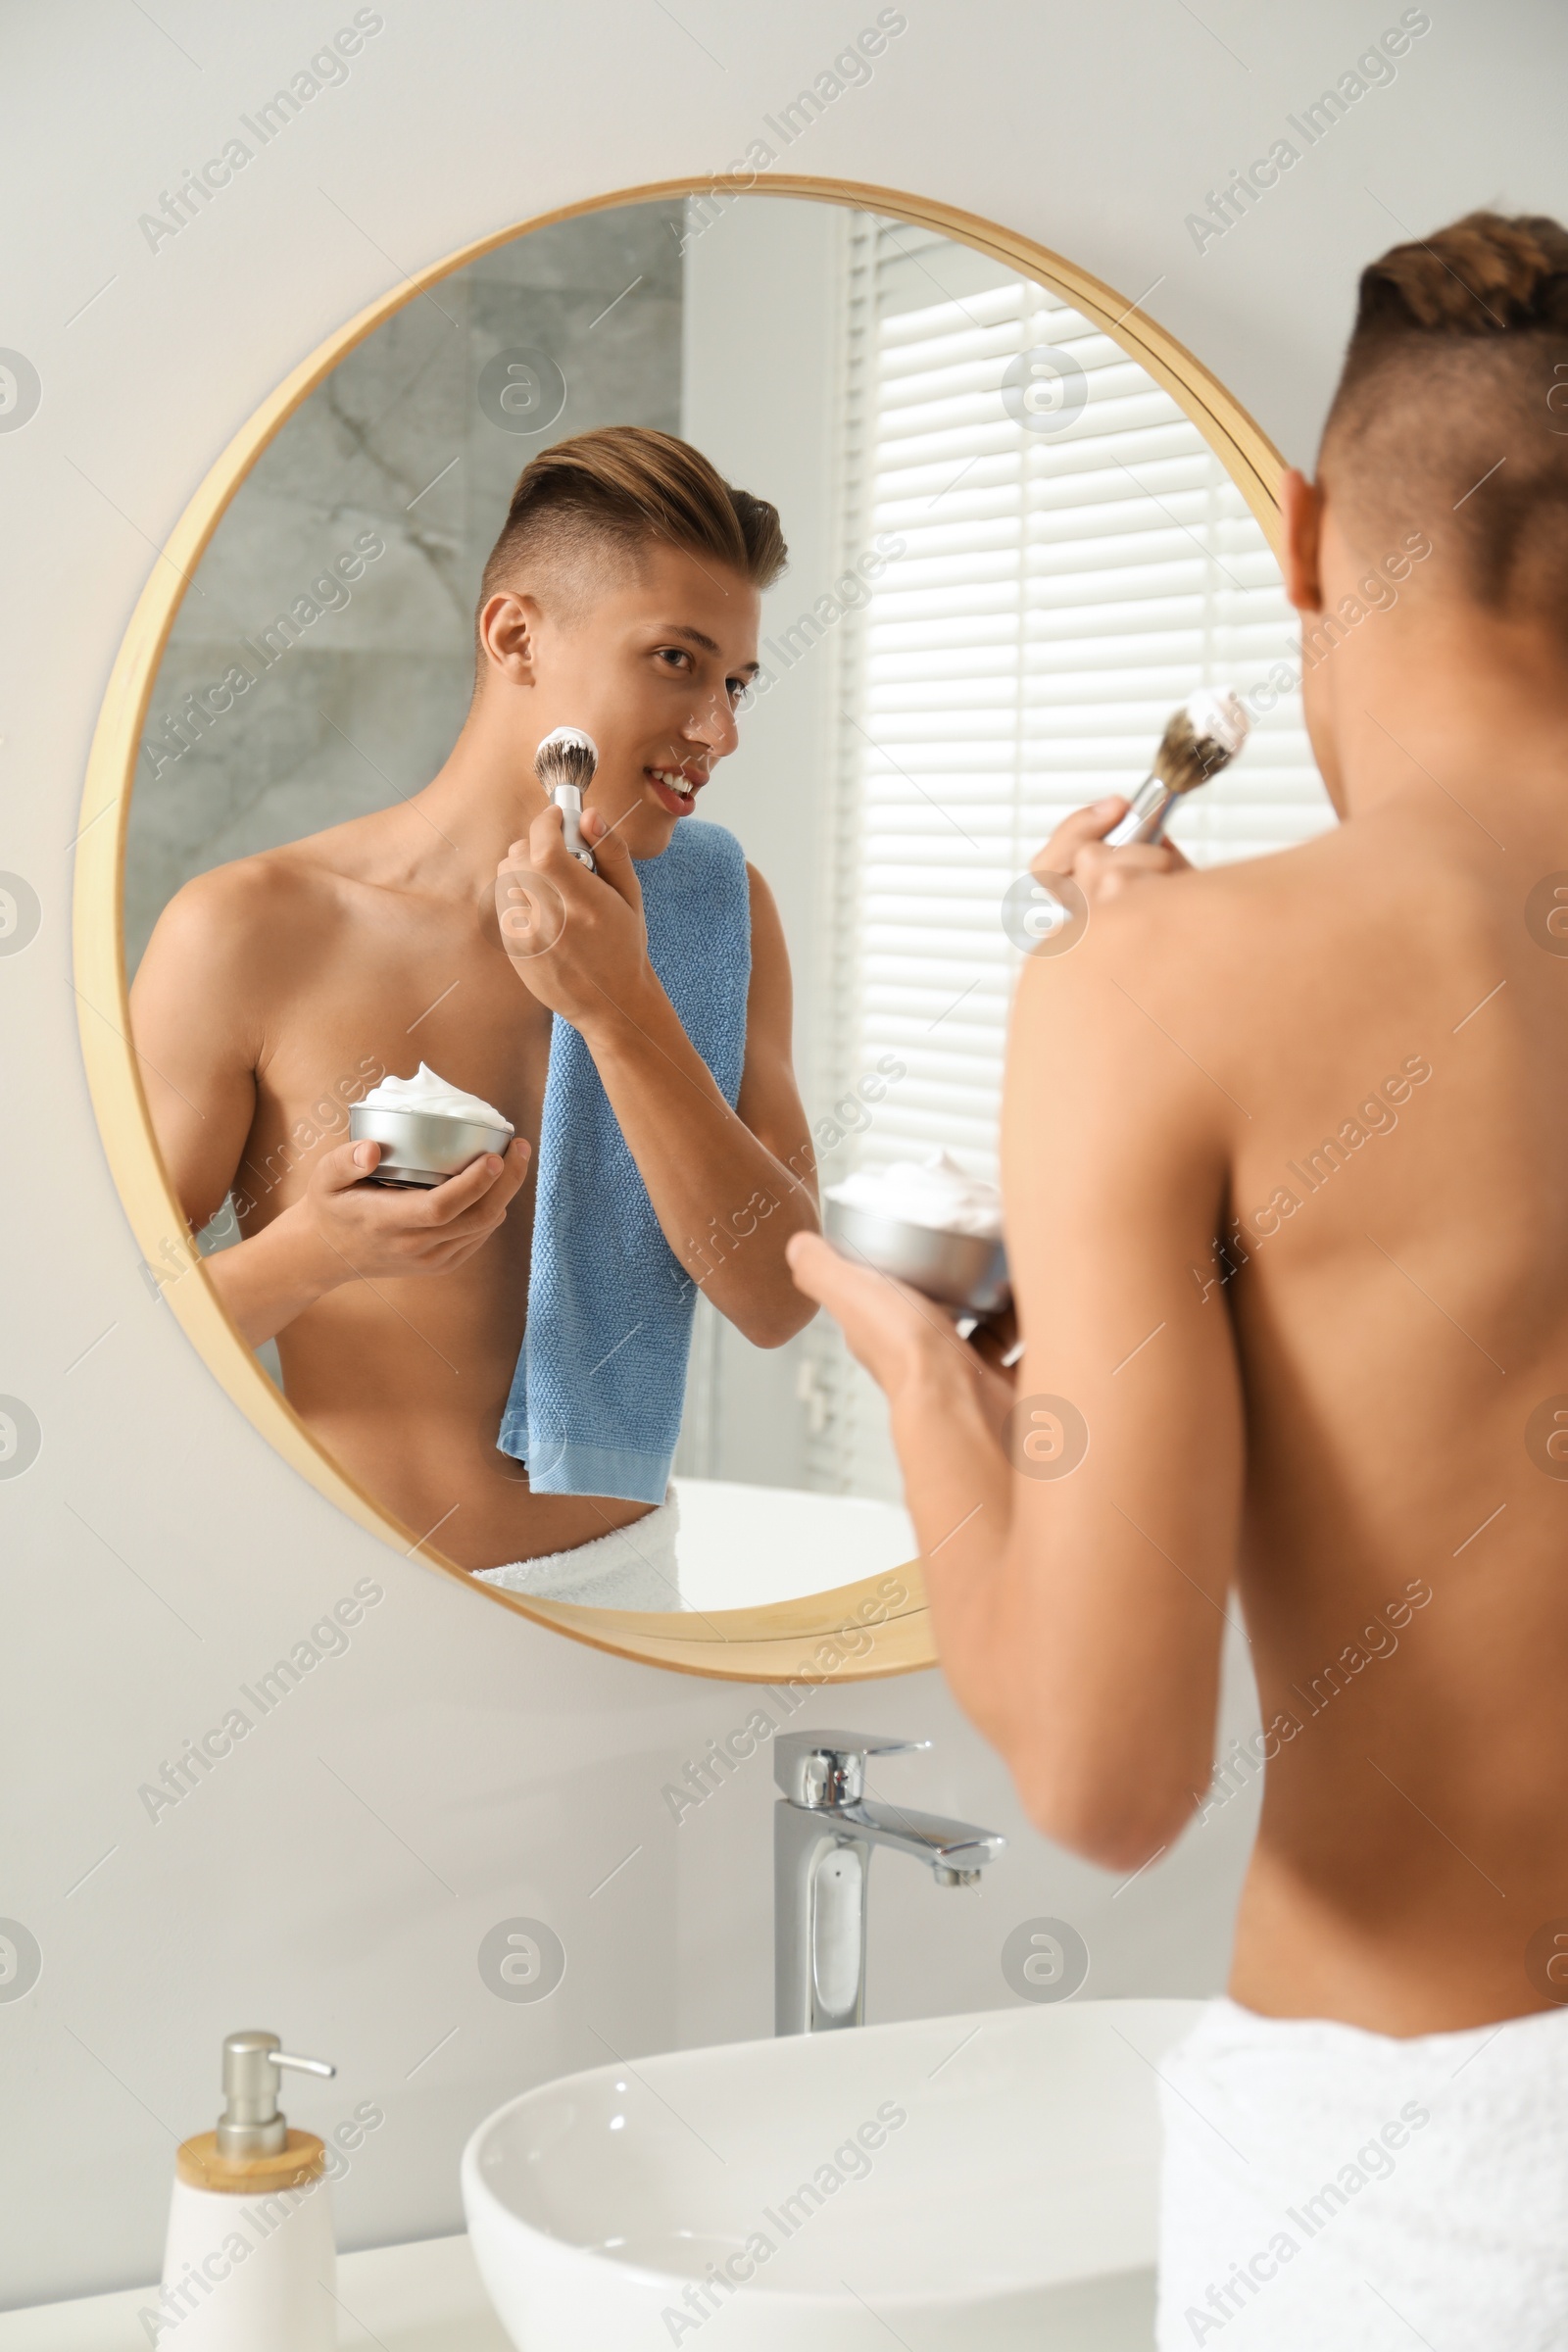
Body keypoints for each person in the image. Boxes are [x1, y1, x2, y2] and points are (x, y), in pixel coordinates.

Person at [788, 211, 1568, 2345]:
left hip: (1429, 2204)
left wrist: (934, 1386)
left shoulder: (1163, 997)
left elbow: (1108, 1779)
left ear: (1302, 531)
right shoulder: (1187, 983)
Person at [132, 428, 817, 1600]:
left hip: (628, 1594)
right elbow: (105, 1340)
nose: (720, 731)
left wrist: (623, 1012)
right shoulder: (252, 929)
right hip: (341, 1597)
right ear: (514, 636)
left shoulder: (714, 908)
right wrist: (317, 1250)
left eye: (735, 683)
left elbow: (778, 1297)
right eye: (675, 661)